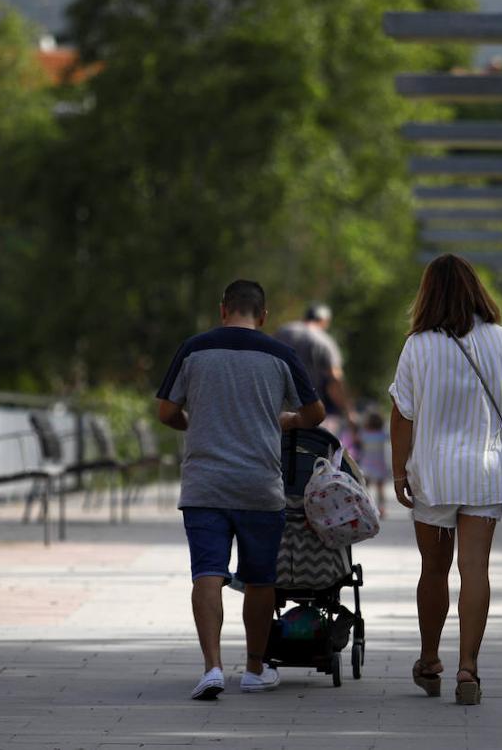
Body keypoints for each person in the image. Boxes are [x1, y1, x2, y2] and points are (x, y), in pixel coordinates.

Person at [156, 279, 326, 700]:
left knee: (207, 573)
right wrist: (283, 421)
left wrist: (193, 424)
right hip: (259, 485)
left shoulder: (194, 349)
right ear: (263, 315)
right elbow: (316, 413)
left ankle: (212, 668)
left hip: (204, 485)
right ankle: (253, 669)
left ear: (223, 309)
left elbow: (166, 411)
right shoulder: (280, 355)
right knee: (259, 579)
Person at [388, 254, 502, 706]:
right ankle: (468, 669)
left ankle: (430, 659)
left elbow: (402, 414)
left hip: (434, 473)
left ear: (428, 294)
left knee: (434, 569)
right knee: (475, 569)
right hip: (486, 471)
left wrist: (399, 472)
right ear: (477, 290)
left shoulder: (418, 345)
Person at [274, 303, 355, 429]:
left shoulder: (282, 332)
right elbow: (335, 380)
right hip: (308, 413)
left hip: (278, 411)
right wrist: (349, 412)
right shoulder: (324, 341)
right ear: (324, 321)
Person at [357, 411, 390, 517]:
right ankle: (382, 508)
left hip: (366, 464)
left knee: (365, 487)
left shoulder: (364, 434)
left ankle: (363, 507)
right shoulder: (382, 434)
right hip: (379, 464)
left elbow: (357, 441)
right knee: (380, 489)